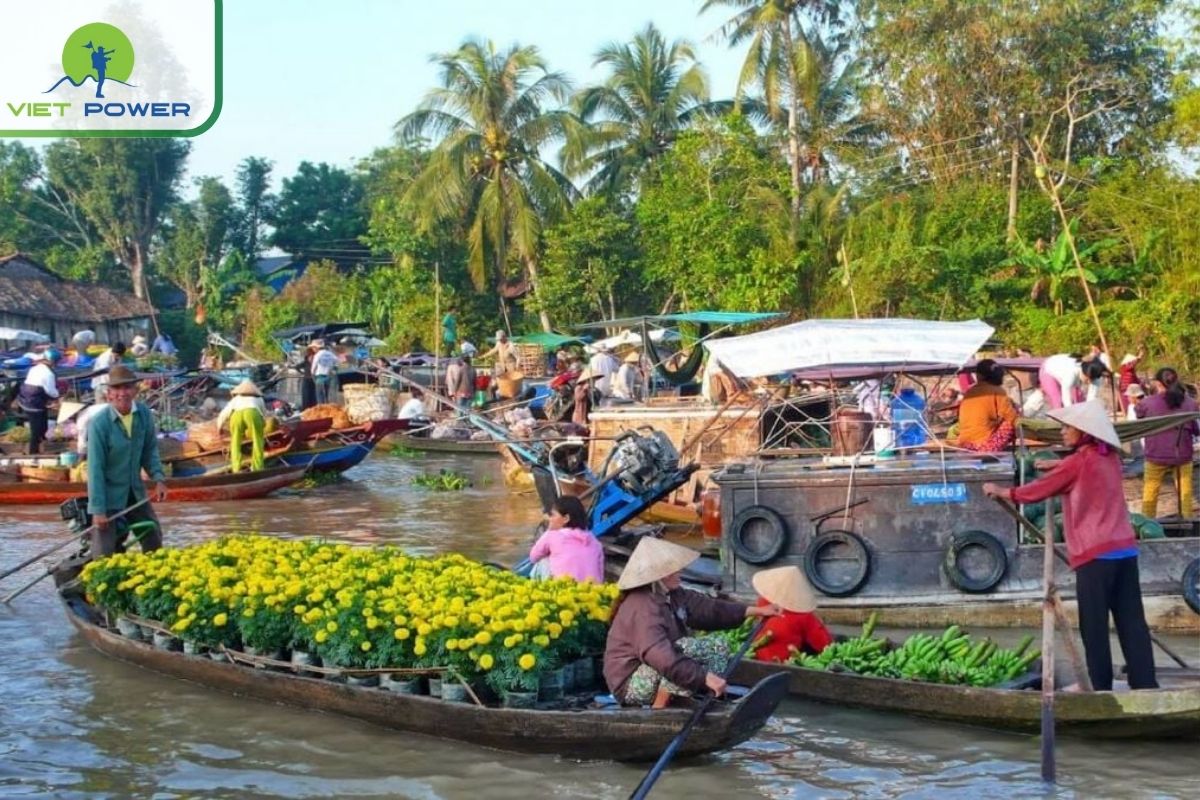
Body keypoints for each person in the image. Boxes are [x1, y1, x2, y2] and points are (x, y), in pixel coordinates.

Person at [983, 401, 1157, 691]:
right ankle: (1146, 683)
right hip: (1125, 551)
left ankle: (1099, 686)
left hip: (1096, 555)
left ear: (1084, 432)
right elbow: (1082, 469)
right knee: (1131, 621)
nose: (1062, 432)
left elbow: (1039, 490)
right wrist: (1057, 465)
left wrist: (1003, 491)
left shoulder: (1078, 463)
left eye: (1067, 428)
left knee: (1094, 625)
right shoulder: (1110, 457)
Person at [603, 537, 780, 707]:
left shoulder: (673, 595)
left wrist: (756, 611)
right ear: (660, 575)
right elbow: (660, 655)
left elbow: (708, 609)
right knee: (684, 648)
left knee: (719, 646)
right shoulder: (642, 605)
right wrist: (703, 677)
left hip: (659, 668)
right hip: (631, 682)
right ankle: (661, 708)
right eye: (673, 569)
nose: (679, 572)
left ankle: (703, 698)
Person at [86, 365, 168, 557]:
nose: (122, 393)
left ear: (135, 391)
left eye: (127, 387)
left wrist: (158, 478)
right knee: (103, 551)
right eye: (116, 388)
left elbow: (150, 450)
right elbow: (95, 469)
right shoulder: (99, 423)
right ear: (109, 394)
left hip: (134, 491)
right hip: (108, 495)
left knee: (153, 536)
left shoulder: (144, 414)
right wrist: (98, 510)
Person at [1135, 367, 1199, 518]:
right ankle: (1187, 523)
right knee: (1185, 494)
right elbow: (1196, 430)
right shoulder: (1190, 403)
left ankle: (1147, 525)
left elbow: (1138, 416)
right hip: (1182, 455)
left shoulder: (1146, 403)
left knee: (1150, 495)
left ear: (1158, 383)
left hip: (1156, 455)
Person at [749, 566, 833, 662]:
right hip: (784, 661)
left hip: (756, 655)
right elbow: (824, 645)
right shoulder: (804, 616)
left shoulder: (763, 602)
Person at [527, 495, 604, 583]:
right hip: (593, 589)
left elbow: (533, 557)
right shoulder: (594, 541)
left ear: (566, 519)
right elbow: (600, 575)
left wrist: (549, 530)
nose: (550, 519)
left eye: (553, 515)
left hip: (564, 588)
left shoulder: (552, 535)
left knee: (542, 562)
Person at [956, 359, 1019, 451]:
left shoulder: (969, 391)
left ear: (978, 376)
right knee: (1012, 420)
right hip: (984, 444)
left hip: (964, 443)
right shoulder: (998, 391)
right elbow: (1011, 416)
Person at [216, 379, 267, 473]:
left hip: (236, 415)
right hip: (252, 413)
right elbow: (264, 414)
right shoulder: (258, 398)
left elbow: (224, 413)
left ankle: (236, 468)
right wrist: (263, 424)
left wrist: (219, 426)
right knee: (258, 441)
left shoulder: (236, 399)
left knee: (235, 442)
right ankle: (257, 467)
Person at [17, 349, 60, 454]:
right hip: (34, 402)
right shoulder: (49, 374)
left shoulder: (35, 368)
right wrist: (59, 395)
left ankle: (44, 445)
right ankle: (33, 452)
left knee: (43, 423)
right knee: (36, 429)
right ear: (52, 361)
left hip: (25, 398)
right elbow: (51, 391)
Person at [1038, 353, 1109, 409]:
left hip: (1068, 377)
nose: (1089, 383)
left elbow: (1091, 400)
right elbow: (1066, 399)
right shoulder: (1071, 374)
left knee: (1079, 401)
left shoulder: (1096, 377)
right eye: (1087, 379)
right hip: (1048, 370)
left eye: (1092, 380)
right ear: (1083, 371)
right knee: (1058, 402)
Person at [310, 340, 337, 404]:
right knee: (326, 395)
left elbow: (313, 368)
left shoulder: (317, 355)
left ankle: (321, 407)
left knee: (320, 396)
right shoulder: (330, 354)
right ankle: (326, 406)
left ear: (316, 347)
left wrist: (313, 377)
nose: (312, 349)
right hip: (329, 376)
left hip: (319, 377)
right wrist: (334, 370)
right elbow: (336, 362)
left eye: (313, 347)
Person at [297, 342, 317, 411]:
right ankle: (308, 409)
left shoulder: (313, 360)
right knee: (307, 396)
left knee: (311, 396)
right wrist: (302, 372)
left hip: (311, 379)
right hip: (308, 379)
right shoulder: (307, 361)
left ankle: (311, 409)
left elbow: (297, 367)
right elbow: (297, 367)